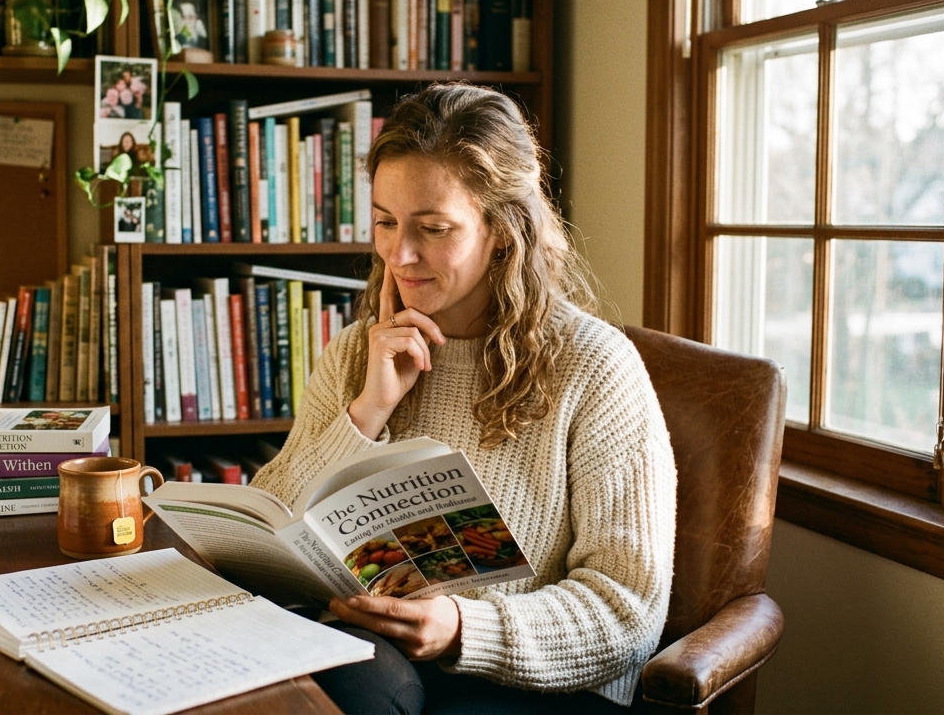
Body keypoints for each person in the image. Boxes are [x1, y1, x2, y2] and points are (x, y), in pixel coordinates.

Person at [250, 83, 677, 715]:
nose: (401, 254)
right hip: (371, 656)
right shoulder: (355, 353)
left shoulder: (594, 366)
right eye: (386, 222)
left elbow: (628, 608)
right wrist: (367, 410)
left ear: (503, 231)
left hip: (536, 684)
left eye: (434, 228)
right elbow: (270, 529)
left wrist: (461, 627)